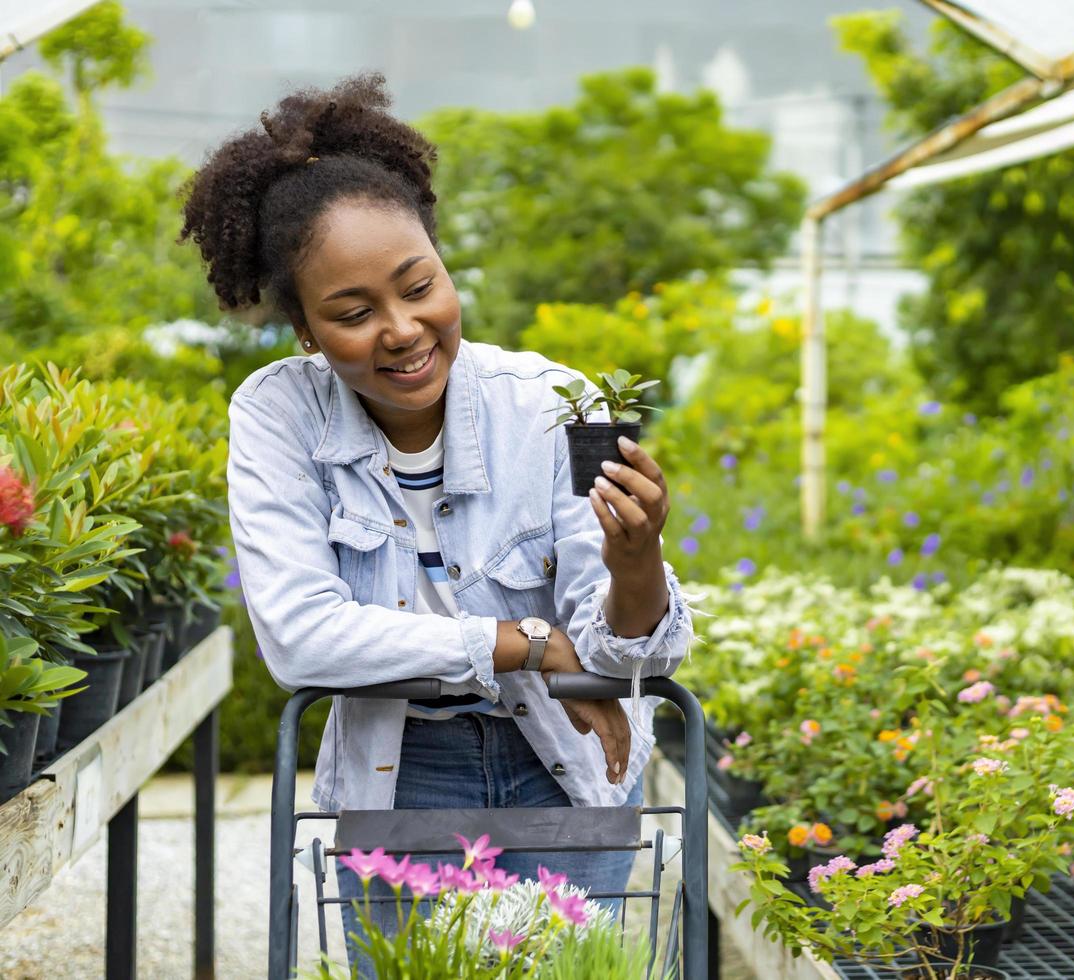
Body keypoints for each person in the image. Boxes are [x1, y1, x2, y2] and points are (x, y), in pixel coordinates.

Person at [179, 73, 698, 970]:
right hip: (401, 766)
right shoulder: (274, 415)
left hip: (566, 759)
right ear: (303, 329)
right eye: (351, 312)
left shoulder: (564, 403)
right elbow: (301, 639)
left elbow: (629, 661)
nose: (402, 329)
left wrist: (637, 563)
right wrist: (520, 640)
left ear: (444, 264)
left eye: (419, 285)